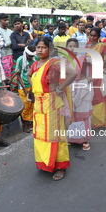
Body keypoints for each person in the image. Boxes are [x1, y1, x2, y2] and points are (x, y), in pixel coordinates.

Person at [28, 36, 77, 180]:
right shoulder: (35, 64)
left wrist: (60, 87)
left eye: (44, 47)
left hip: (52, 104)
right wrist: (33, 90)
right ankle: (45, 162)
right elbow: (30, 76)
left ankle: (61, 166)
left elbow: (72, 74)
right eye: (38, 47)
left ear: (51, 49)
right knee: (41, 134)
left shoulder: (54, 63)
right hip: (38, 104)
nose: (40, 50)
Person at [65, 38, 93, 150]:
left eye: (74, 46)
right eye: (69, 46)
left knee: (82, 115)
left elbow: (93, 68)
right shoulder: (63, 61)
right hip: (68, 89)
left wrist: (88, 78)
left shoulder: (83, 59)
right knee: (71, 114)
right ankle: (72, 138)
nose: (72, 48)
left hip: (81, 89)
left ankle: (84, 139)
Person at [87, 28, 106, 129]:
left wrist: (103, 63)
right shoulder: (86, 46)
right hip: (88, 73)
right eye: (91, 35)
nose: (92, 37)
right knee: (89, 95)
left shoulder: (102, 46)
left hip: (98, 73)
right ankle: (92, 121)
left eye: (94, 35)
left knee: (100, 95)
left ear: (98, 37)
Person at [15, 45, 37, 133]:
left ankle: (31, 122)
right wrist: (24, 88)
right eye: (29, 56)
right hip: (23, 86)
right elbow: (17, 75)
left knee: (32, 105)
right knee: (25, 107)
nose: (31, 57)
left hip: (33, 85)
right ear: (26, 53)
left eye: (32, 56)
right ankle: (25, 125)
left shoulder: (35, 58)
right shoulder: (20, 60)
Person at [0, 13, 13, 79]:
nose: (7, 22)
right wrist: (9, 43)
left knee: (12, 74)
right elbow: (1, 44)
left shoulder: (10, 31)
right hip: (3, 55)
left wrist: (6, 43)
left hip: (11, 54)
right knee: (7, 75)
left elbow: (7, 43)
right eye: (5, 20)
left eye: (8, 20)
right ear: (0, 21)